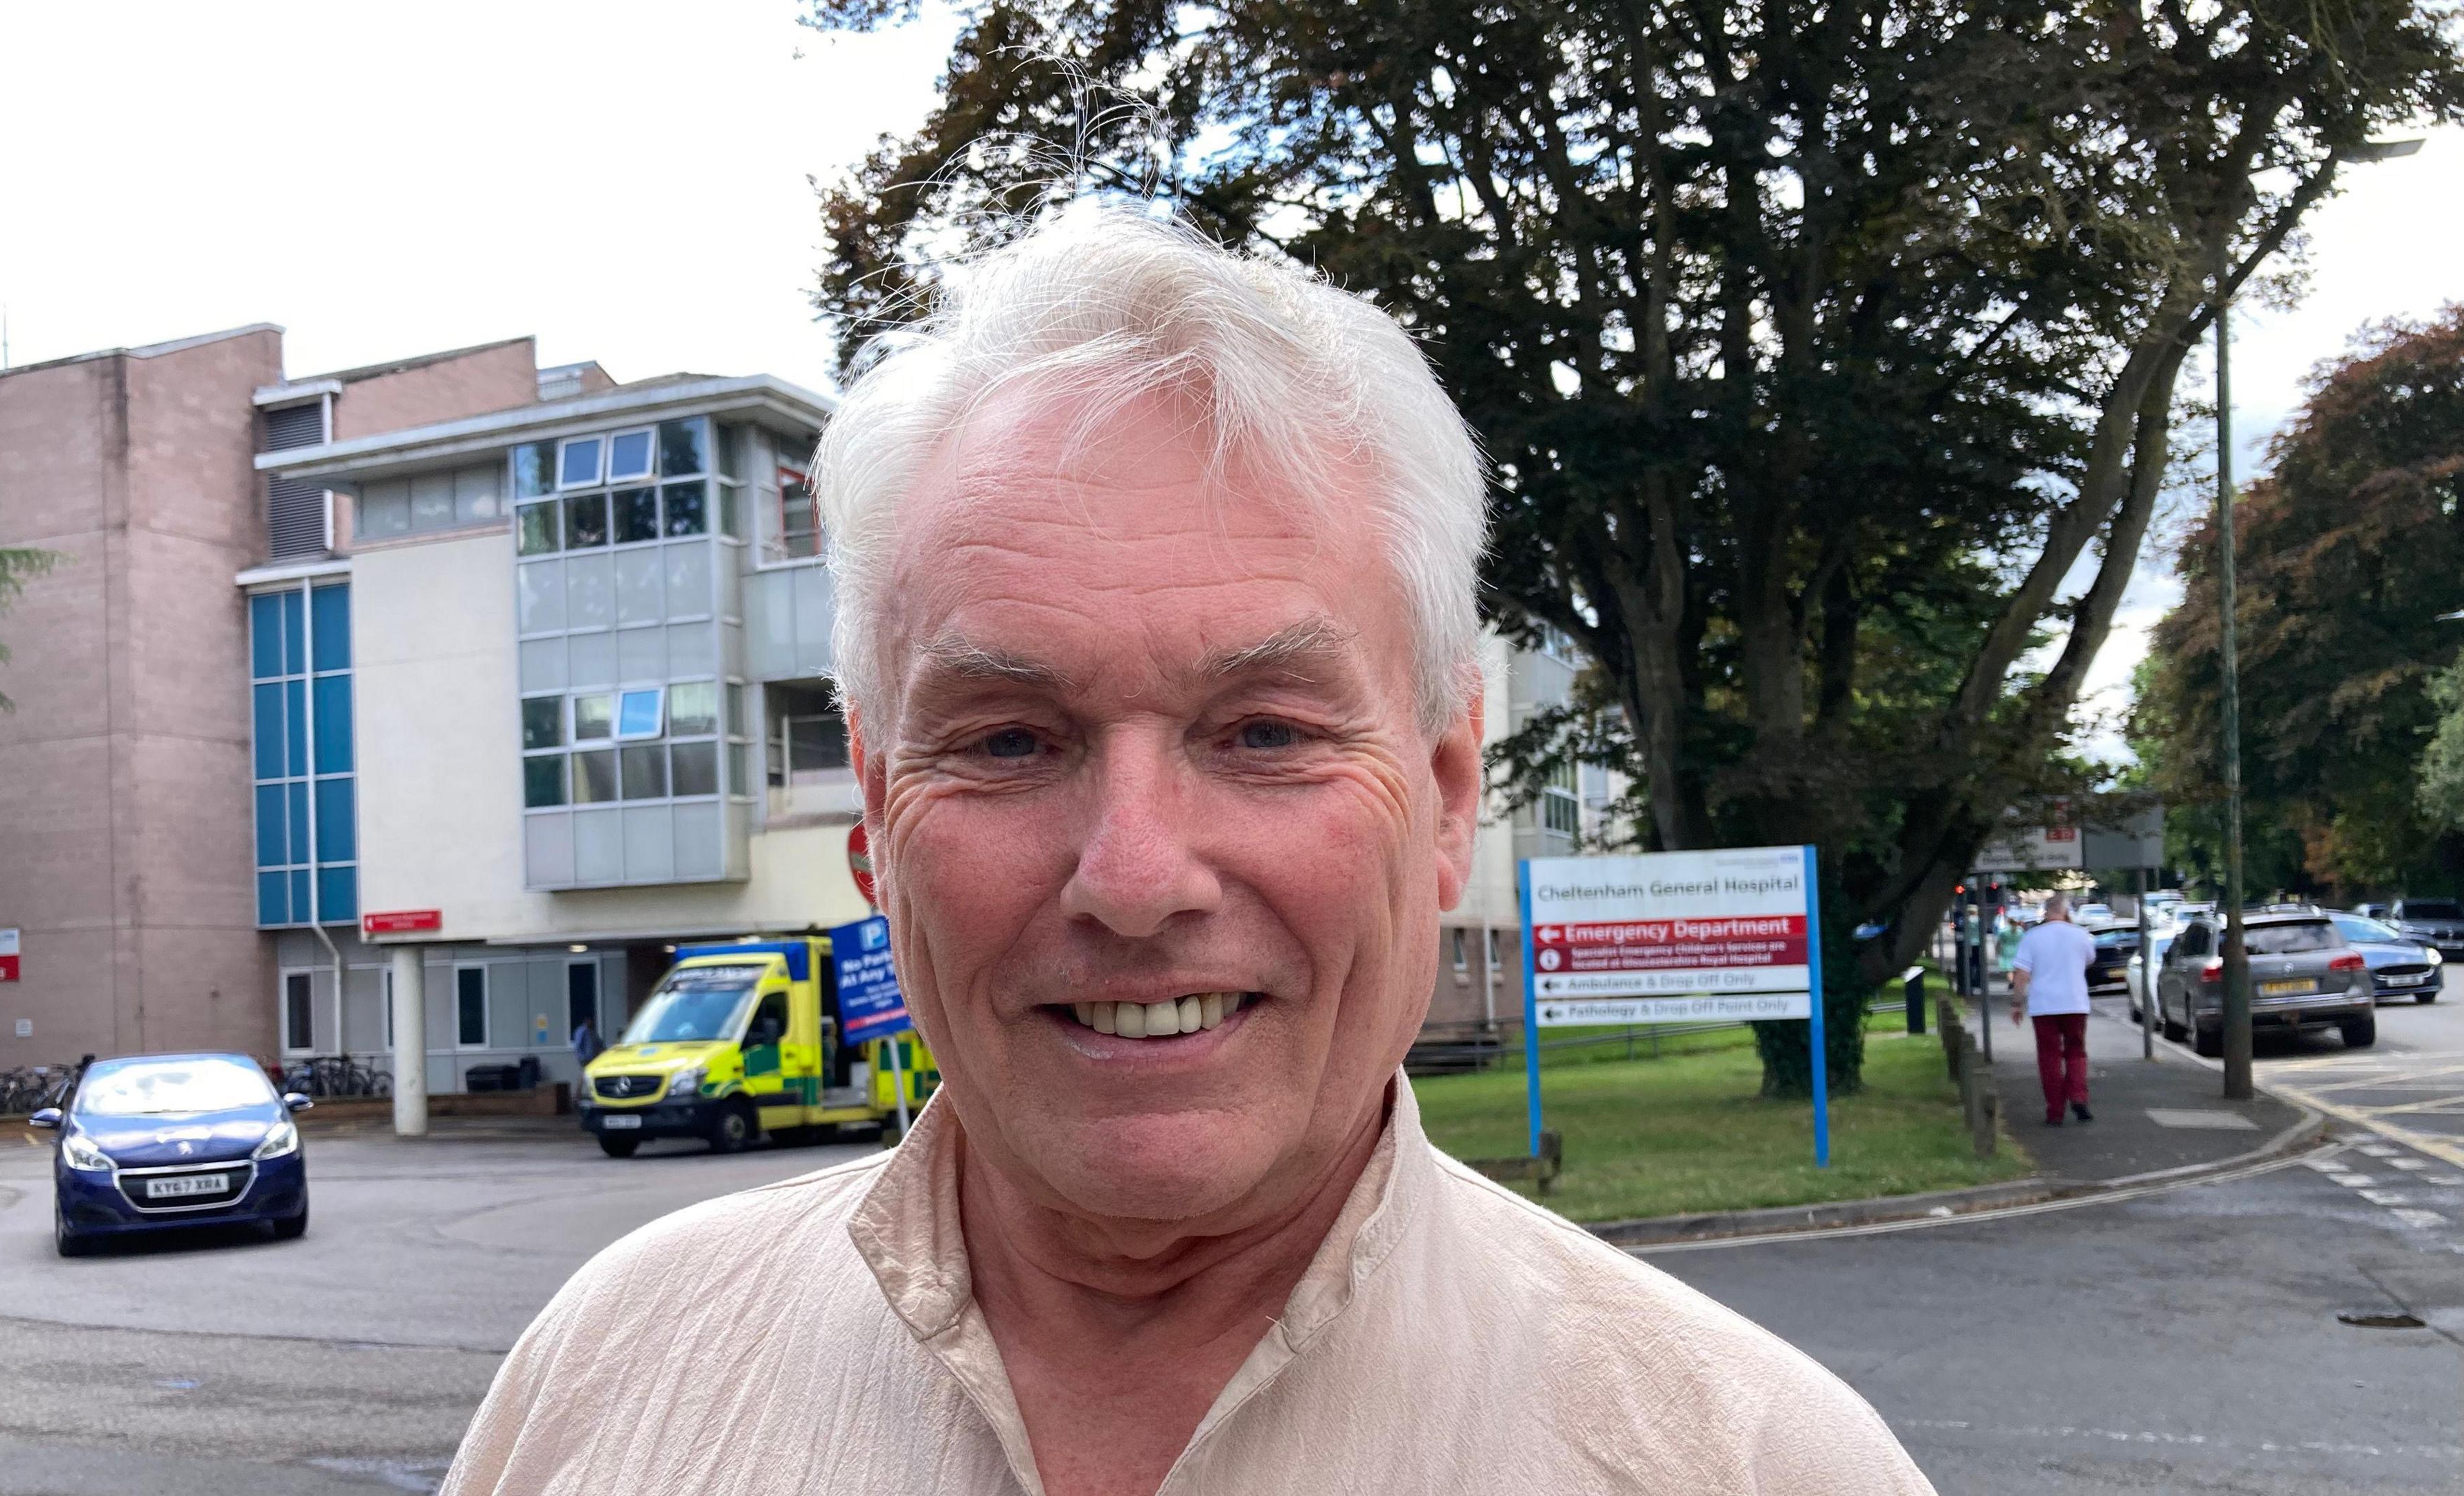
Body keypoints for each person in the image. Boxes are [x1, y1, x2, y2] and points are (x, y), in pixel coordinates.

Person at [440, 204, 1934, 1496]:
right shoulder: (607, 1384)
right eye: (1011, 740)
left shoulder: (1751, 1464)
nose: (1139, 879)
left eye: (1266, 732)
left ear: (1447, 789)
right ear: (881, 826)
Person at [2010, 892, 2099, 1126]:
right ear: (2066, 912)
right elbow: (2089, 960)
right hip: (2075, 1004)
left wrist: (2017, 1004)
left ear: (2045, 913)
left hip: (2044, 1006)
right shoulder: (2081, 936)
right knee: (2076, 1052)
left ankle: (2055, 1111)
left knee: (2049, 1057)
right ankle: (2079, 1096)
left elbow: (2021, 975)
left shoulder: (2032, 937)